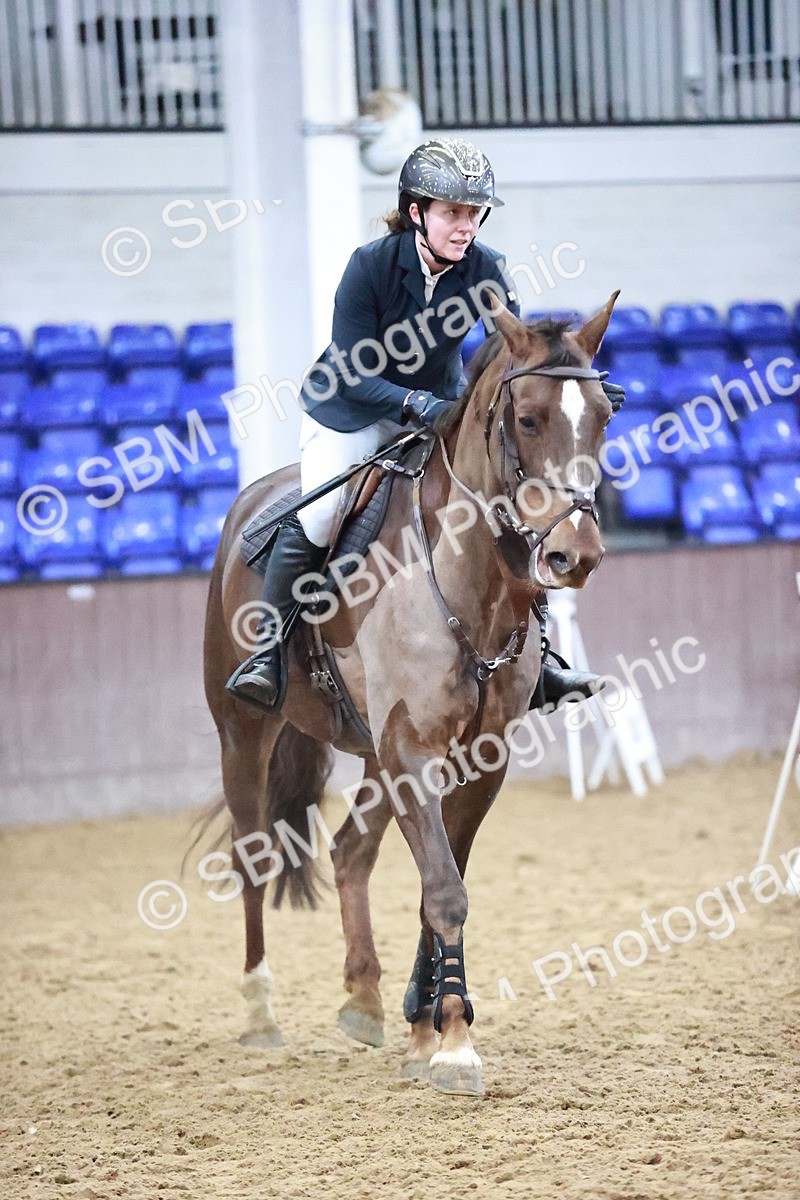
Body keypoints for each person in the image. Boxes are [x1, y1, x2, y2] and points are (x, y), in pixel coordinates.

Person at [227, 137, 619, 712]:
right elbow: (354, 372)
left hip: (437, 408)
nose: (466, 226)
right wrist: (417, 403)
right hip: (352, 412)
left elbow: (514, 355)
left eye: (474, 214)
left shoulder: (486, 269)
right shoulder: (370, 267)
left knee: (507, 507)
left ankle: (540, 659)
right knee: (320, 515)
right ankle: (269, 651)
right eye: (452, 213)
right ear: (417, 212)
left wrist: (569, 385)